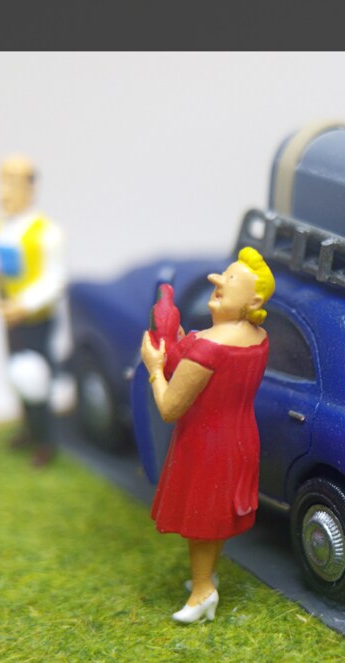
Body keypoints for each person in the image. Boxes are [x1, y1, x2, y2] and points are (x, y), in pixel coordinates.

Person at [139, 247, 274, 624]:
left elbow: (169, 407)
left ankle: (202, 592)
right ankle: (207, 576)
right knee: (215, 516)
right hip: (241, 437)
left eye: (229, 279)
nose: (217, 280)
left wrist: (155, 369)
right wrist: (182, 341)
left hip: (204, 444)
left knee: (200, 521)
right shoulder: (259, 338)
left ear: (254, 301)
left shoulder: (207, 348)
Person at [0, 155, 66, 467]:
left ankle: (47, 441)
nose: (4, 191)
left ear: (31, 188)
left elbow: (54, 279)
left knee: (37, 379)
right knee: (17, 375)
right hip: (10, 319)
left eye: (12, 183)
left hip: (36, 320)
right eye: (2, 182)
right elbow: (1, 269)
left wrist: (25, 305)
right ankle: (29, 429)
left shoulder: (47, 232)